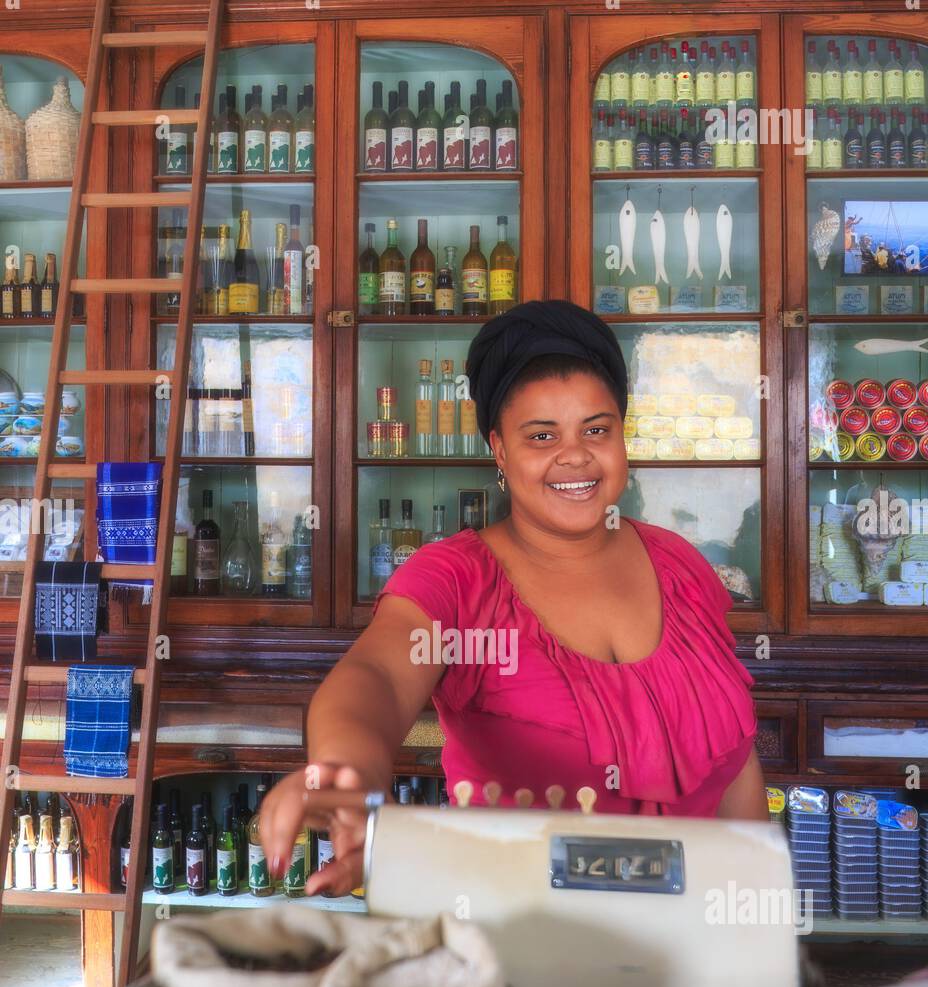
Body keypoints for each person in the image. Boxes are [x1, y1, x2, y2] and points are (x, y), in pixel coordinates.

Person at [261, 299, 767, 897]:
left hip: (701, 950)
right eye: (541, 435)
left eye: (596, 430)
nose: (575, 455)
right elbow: (376, 675)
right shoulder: (457, 580)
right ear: (500, 450)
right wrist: (347, 769)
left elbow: (736, 768)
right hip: (521, 953)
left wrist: (758, 916)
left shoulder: (681, 566)